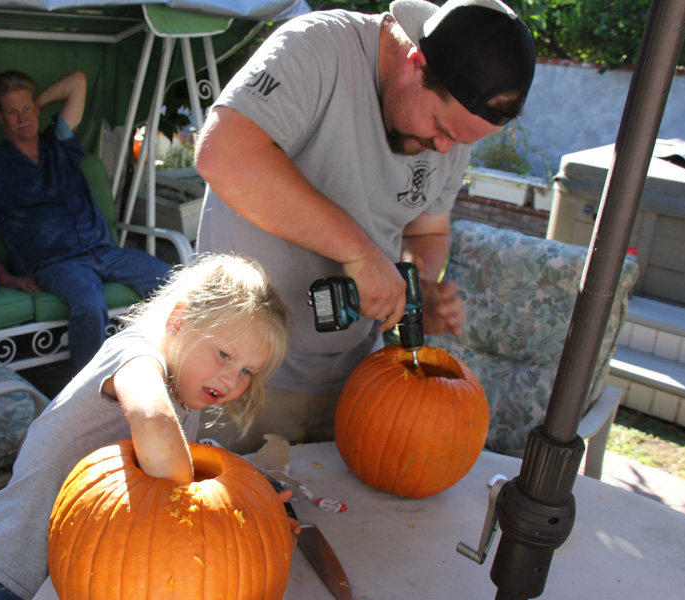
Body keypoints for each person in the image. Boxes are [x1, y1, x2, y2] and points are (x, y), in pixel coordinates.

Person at [194, 0, 536, 452]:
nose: (442, 147)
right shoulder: (317, 49)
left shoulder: (451, 131)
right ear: (417, 63)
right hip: (241, 375)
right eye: (439, 127)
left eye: (459, 141)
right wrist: (360, 251)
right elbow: (224, 153)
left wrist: (418, 288)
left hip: (357, 381)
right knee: (224, 517)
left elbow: (425, 232)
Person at [0, 253, 290, 600]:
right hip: (5, 575)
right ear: (178, 320)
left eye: (248, 371)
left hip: (65, 580)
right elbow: (156, 428)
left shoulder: (190, 385)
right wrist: (218, 519)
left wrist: (256, 522)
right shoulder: (135, 357)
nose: (232, 379)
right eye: (224, 355)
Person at [0, 69, 171, 374]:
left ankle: (163, 368)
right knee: (90, 302)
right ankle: (87, 395)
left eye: (27, 109)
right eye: (12, 112)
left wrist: (34, 106)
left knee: (173, 283)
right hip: (55, 262)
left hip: (105, 251)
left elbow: (79, 81)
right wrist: (4, 275)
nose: (22, 119)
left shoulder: (59, 142)